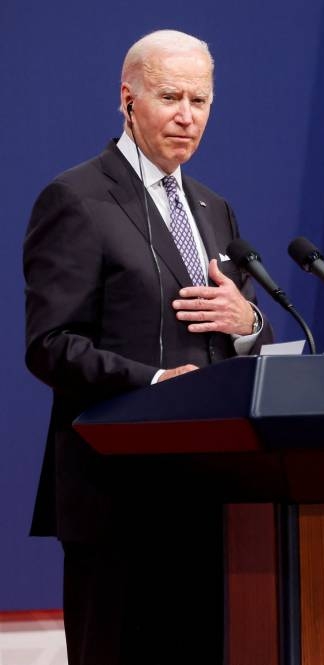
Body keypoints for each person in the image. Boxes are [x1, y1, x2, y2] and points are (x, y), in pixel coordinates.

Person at [23, 30, 272, 665]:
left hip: (211, 492)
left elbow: (238, 339)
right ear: (128, 99)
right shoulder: (76, 199)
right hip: (117, 496)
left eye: (201, 99)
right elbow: (50, 345)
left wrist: (249, 324)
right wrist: (155, 386)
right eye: (170, 97)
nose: (187, 115)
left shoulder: (214, 209)